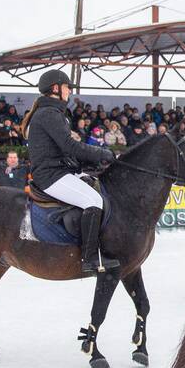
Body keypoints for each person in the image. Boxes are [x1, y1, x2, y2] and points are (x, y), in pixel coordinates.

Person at [25, 70, 117, 274]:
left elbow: (64, 151)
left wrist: (87, 164)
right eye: (66, 87)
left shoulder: (54, 113)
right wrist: (102, 153)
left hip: (60, 170)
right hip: (51, 175)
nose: (69, 91)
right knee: (94, 201)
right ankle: (89, 258)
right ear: (55, 89)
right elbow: (69, 146)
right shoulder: (49, 114)